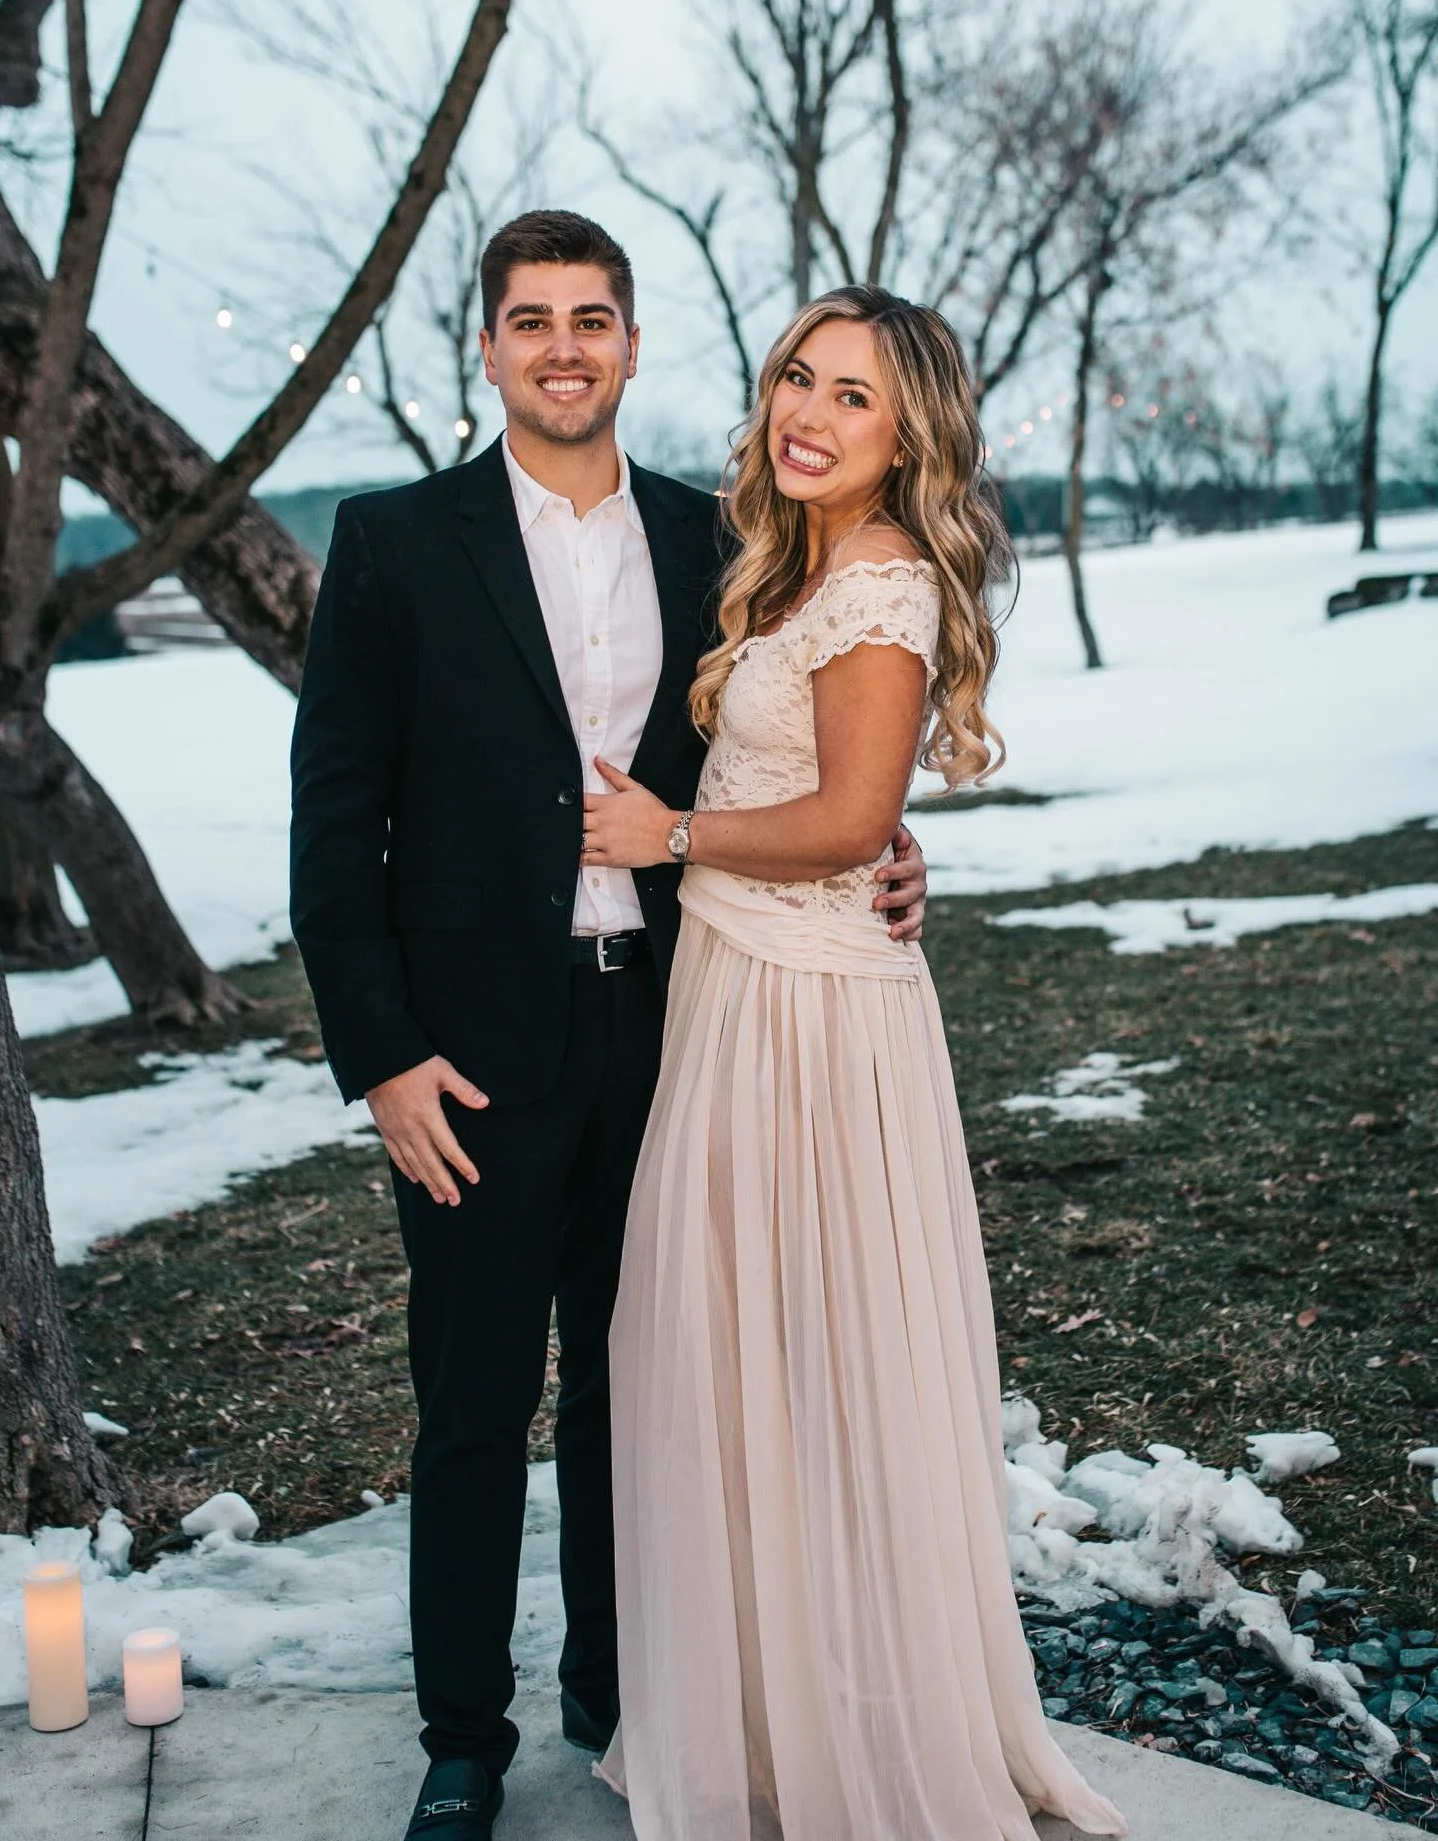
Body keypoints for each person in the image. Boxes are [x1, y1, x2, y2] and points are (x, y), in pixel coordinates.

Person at [288, 212, 931, 1841]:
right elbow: (332, 816)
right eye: (531, 320)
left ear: (633, 346)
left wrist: (893, 843)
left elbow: (804, 751)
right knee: (474, 1394)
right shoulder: (394, 542)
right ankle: (462, 1730)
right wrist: (378, 1054)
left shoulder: (726, 533)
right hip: (471, 1050)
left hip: (678, 1019)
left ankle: (621, 1680)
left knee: (646, 1378)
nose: (564, 345)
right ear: (489, 349)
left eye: (593, 318)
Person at [580, 285, 1128, 1840]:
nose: (809, 417)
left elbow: (844, 814)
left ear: (911, 442)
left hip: (809, 1024)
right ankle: (766, 1702)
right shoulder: (786, 564)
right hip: (741, 993)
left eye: (856, 401)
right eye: (797, 381)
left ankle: (855, 1724)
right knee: (730, 1348)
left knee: (809, 1354)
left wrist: (667, 834)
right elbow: (850, 803)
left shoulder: (881, 580)